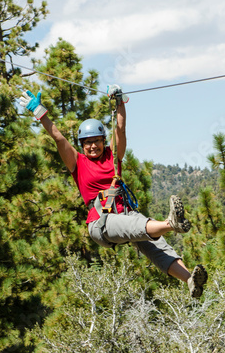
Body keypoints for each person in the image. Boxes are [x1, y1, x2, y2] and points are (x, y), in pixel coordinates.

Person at [19, 86, 208, 298]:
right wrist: (40, 113)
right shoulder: (78, 163)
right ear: (82, 145)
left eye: (96, 141)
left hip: (124, 212)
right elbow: (59, 138)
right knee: (136, 225)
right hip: (101, 222)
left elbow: (120, 128)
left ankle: (190, 280)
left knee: (157, 245)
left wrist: (119, 102)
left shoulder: (112, 157)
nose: (93, 146)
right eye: (88, 143)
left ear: (103, 141)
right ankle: (171, 224)